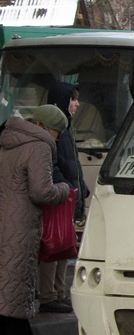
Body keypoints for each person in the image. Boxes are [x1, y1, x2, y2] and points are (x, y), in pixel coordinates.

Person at [0, 104, 71, 335]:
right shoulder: (39, 146)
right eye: (56, 132)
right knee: (15, 299)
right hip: (20, 229)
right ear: (45, 127)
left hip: (3, 225)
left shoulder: (7, 140)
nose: (56, 138)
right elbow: (42, 192)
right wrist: (64, 190)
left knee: (4, 296)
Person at [37, 83, 88, 314]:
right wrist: (67, 188)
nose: (77, 103)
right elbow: (54, 165)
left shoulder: (66, 129)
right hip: (61, 197)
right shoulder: (56, 131)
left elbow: (72, 164)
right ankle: (50, 295)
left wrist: (82, 189)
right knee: (54, 245)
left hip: (67, 196)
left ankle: (58, 292)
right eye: (73, 99)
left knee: (64, 246)